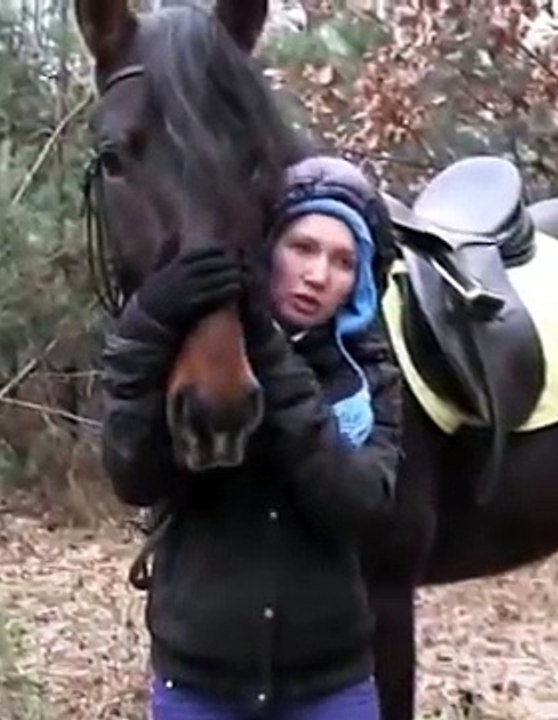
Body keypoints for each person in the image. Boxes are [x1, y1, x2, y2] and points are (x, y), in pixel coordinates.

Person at [97, 154, 403, 719]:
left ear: (358, 283)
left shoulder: (368, 378)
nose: (318, 275)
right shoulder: (196, 356)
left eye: (342, 261)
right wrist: (147, 323)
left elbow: (361, 505)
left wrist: (267, 351)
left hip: (330, 687)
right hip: (199, 684)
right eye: (303, 247)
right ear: (267, 249)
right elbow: (134, 474)